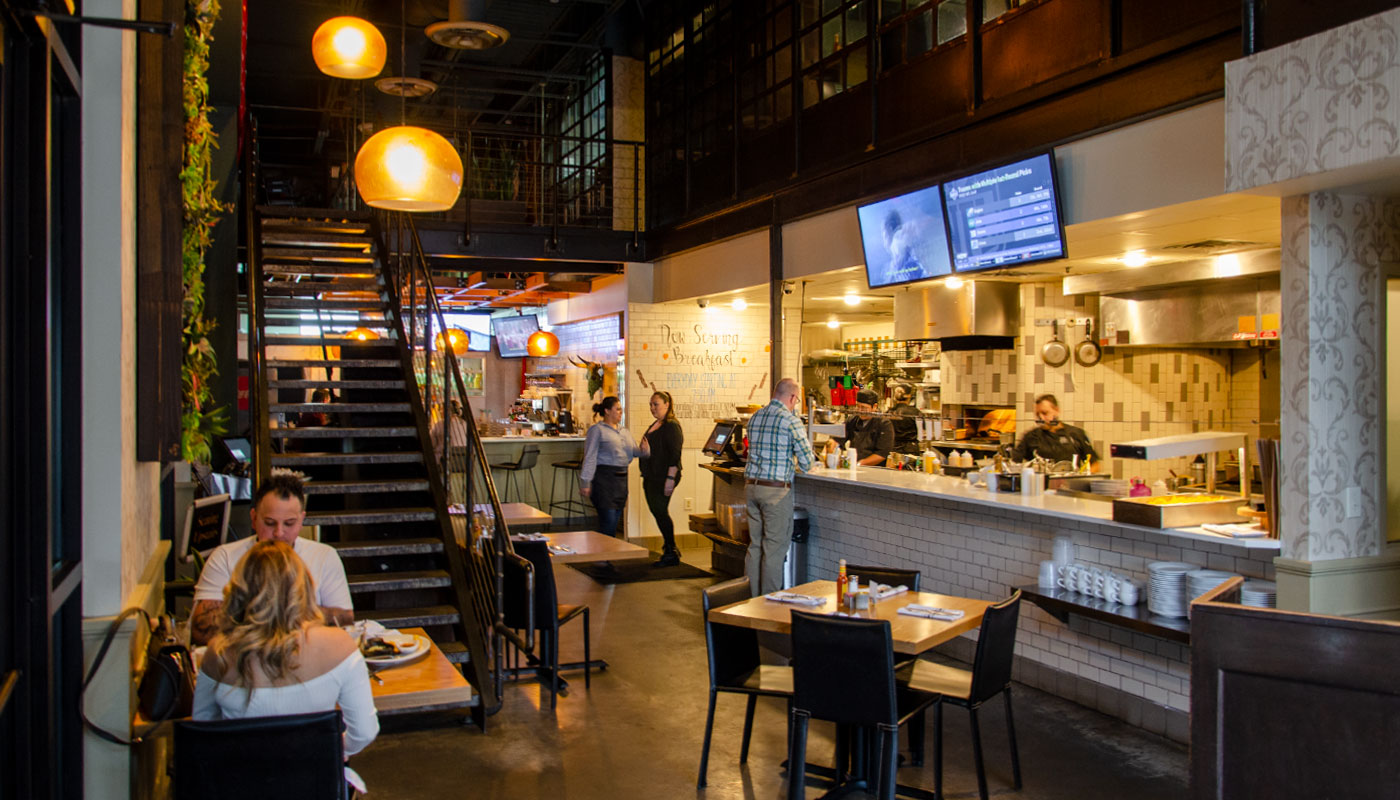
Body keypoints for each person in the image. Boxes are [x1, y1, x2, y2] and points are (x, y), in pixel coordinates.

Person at [193, 540, 379, 765]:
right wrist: (332, 748)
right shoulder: (340, 646)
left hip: (240, 784)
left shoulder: (218, 653)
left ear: (240, 589)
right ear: (303, 587)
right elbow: (365, 731)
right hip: (316, 785)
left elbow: (203, 730)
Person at [191, 471, 353, 646]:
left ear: (301, 520)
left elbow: (344, 620)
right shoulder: (225, 557)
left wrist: (253, 613)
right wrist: (298, 614)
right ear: (254, 518)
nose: (279, 533)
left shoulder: (324, 556)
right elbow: (202, 631)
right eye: (269, 523)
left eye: (289, 523)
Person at [744, 377, 817, 597]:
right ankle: (767, 604)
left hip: (752, 487)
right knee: (774, 550)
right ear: (793, 397)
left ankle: (749, 600)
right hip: (776, 492)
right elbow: (806, 463)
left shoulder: (755, 417)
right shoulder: (790, 421)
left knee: (755, 546)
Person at [579, 396, 639, 538]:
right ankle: (603, 555)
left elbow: (632, 453)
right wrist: (585, 482)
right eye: (617, 409)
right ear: (606, 411)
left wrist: (645, 451)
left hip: (621, 480)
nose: (620, 412)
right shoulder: (597, 430)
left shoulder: (624, 431)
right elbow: (590, 456)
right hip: (604, 480)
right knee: (608, 521)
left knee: (615, 518)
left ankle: (605, 554)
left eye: (621, 409)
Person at [638, 390, 684, 567]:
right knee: (657, 510)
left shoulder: (671, 426)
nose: (652, 408)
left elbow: (675, 454)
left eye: (655, 404)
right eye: (650, 404)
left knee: (660, 511)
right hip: (652, 474)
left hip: (664, 476)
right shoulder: (656, 424)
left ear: (667, 404)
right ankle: (669, 547)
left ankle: (671, 550)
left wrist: (670, 479)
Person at [1010, 393, 1100, 468]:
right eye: (1038, 414)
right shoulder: (1031, 437)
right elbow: (1014, 462)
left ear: (1056, 411)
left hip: (1070, 485)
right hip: (1040, 485)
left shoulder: (1076, 434)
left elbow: (1094, 464)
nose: (1041, 417)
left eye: (1045, 413)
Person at [823, 388, 895, 466]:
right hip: (854, 467)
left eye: (863, 407)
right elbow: (836, 439)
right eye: (857, 406)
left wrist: (859, 464)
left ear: (874, 407)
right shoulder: (852, 420)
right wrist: (827, 454)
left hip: (875, 470)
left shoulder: (884, 424)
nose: (860, 410)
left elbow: (882, 454)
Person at [888, 384, 922, 455]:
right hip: (910, 449)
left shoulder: (889, 412)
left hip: (893, 448)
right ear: (909, 396)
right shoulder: (915, 412)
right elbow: (923, 428)